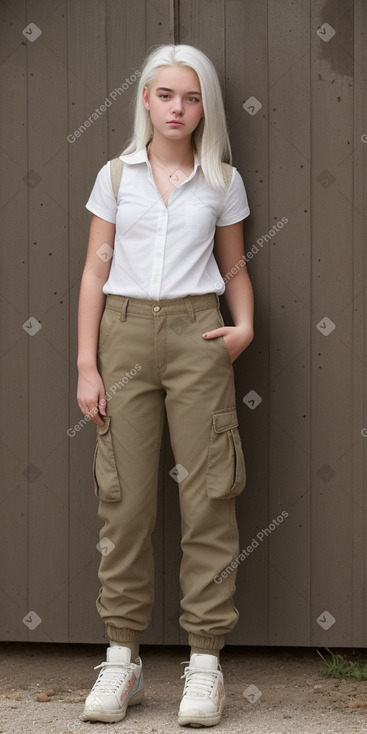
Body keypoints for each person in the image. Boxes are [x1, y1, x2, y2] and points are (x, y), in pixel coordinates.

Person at [77, 43, 254, 728]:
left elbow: (234, 268)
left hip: (196, 338)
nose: (177, 108)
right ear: (144, 100)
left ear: (204, 104)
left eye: (191, 96)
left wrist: (241, 329)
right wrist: (88, 366)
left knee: (210, 496)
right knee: (124, 504)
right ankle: (121, 662)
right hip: (121, 336)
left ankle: (204, 666)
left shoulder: (221, 180)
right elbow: (96, 270)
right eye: (165, 95)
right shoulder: (115, 177)